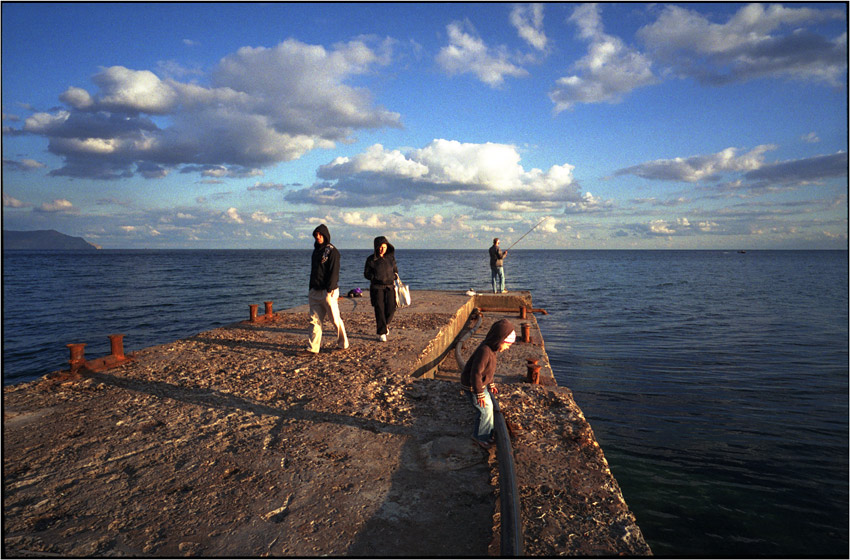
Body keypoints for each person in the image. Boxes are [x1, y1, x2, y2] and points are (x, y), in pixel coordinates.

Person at [460, 319, 516, 449]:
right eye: (507, 345)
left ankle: (488, 432)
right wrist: (479, 393)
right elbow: (476, 373)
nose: (507, 348)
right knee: (484, 411)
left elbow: (488, 371)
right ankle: (479, 436)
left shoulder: (491, 349)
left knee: (489, 407)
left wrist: (490, 384)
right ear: (499, 340)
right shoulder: (484, 351)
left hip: (481, 384)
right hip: (473, 386)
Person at [305, 224, 349, 354]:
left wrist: (330, 289)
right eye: (316, 235)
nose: (318, 237)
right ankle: (313, 348)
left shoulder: (332, 251)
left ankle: (343, 343)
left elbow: (334, 271)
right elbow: (314, 271)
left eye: (320, 234)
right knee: (314, 320)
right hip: (315, 290)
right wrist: (311, 287)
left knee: (335, 319)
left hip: (328, 291)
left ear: (325, 235)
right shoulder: (316, 251)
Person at [364, 236, 399, 342]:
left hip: (390, 287)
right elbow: (366, 274)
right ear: (376, 247)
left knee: (391, 308)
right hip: (376, 288)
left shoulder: (391, 258)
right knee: (379, 309)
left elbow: (395, 271)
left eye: (383, 247)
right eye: (379, 247)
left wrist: (394, 277)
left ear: (387, 247)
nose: (382, 249)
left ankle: (386, 325)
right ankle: (381, 332)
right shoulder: (371, 259)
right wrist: (375, 277)